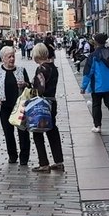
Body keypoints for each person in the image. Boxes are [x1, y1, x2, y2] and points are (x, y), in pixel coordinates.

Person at [0, 46, 31, 166]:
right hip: (5, 106)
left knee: (23, 132)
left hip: (20, 106)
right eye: (9, 57)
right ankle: (12, 155)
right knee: (8, 133)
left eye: (13, 56)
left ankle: (24, 157)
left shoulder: (21, 70)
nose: (12, 59)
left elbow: (29, 86)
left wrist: (25, 84)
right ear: (3, 59)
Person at [29, 43, 64, 172]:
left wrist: (30, 86)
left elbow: (39, 87)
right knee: (52, 130)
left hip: (42, 103)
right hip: (52, 102)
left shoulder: (42, 68)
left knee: (37, 132)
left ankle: (44, 163)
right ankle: (58, 161)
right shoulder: (53, 68)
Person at [81, 35, 109, 134]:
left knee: (96, 105)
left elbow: (88, 73)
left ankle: (97, 126)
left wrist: (83, 87)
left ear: (95, 43)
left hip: (97, 86)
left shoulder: (93, 56)